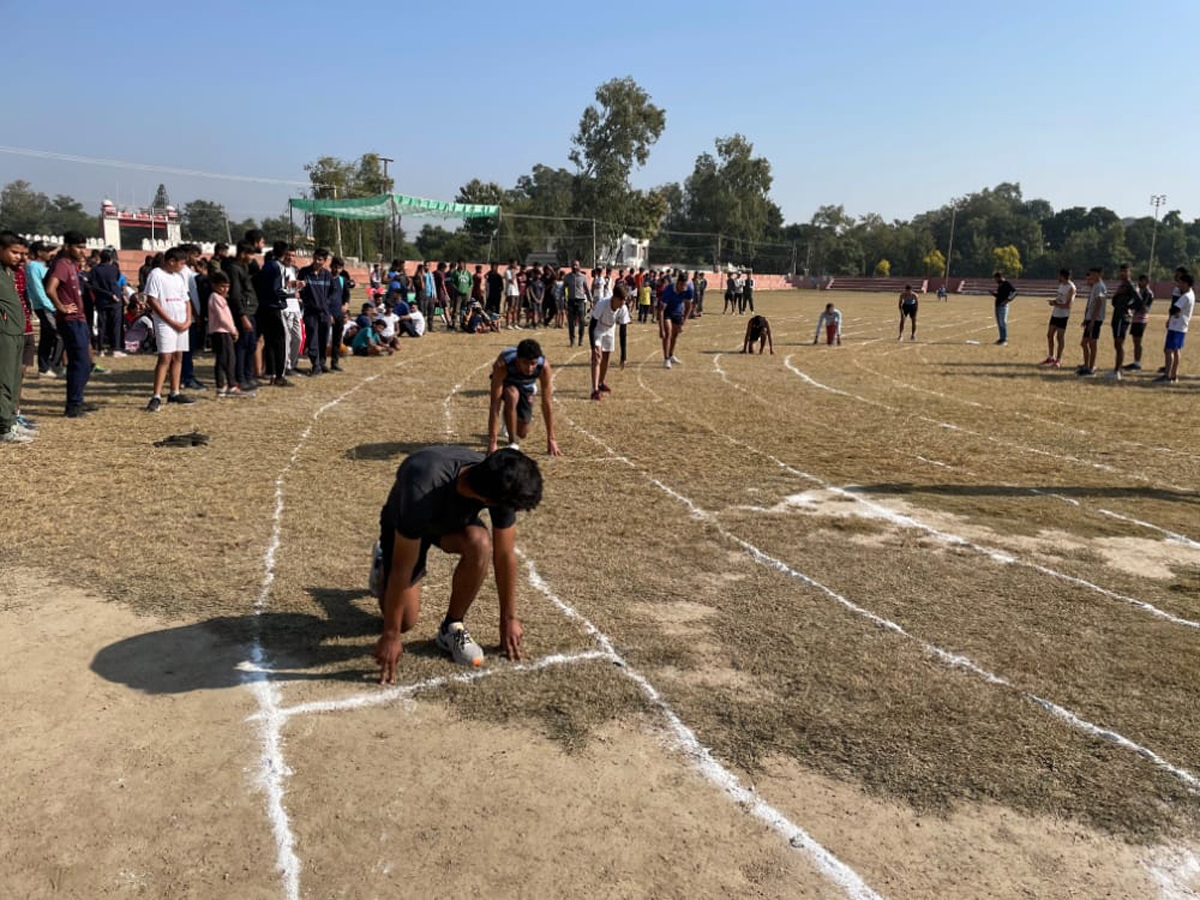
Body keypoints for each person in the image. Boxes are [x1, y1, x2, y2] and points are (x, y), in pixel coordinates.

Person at [370, 446, 544, 679]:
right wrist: (391, 634)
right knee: (404, 622)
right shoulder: (421, 484)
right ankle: (382, 561)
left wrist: (508, 618)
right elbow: (403, 567)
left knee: (480, 543)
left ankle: (451, 627)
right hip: (405, 527)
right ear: (487, 499)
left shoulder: (500, 478)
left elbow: (504, 555)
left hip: (450, 523)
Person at [44, 232, 92, 418]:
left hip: (79, 319)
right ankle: (73, 405)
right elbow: (50, 288)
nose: (82, 251)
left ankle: (78, 399)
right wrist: (61, 307)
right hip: (70, 321)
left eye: (83, 247)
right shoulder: (62, 265)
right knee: (79, 362)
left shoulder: (71, 265)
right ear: (67, 246)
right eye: (78, 247)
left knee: (86, 363)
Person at [487, 338, 561, 455]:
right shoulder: (503, 364)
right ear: (518, 359)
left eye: (533, 364)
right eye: (526, 363)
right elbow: (495, 404)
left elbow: (547, 404)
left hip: (526, 386)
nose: (530, 368)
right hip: (508, 383)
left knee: (522, 432)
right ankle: (512, 441)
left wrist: (551, 439)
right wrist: (492, 442)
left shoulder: (544, 367)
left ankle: (508, 416)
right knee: (512, 396)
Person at [143, 247, 196, 411]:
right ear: (171, 261)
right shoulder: (156, 275)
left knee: (178, 356)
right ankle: (156, 395)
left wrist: (187, 320)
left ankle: (174, 392)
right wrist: (170, 320)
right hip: (165, 323)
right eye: (181, 263)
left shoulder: (179, 277)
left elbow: (186, 300)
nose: (183, 266)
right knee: (165, 357)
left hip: (181, 322)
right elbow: (152, 300)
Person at [0, 232, 32, 443]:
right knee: (3, 381)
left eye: (21, 253)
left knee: (12, 379)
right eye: (14, 252)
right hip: (4, 332)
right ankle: (3, 427)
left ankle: (11, 420)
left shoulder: (9, 272)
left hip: (16, 331)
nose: (18, 257)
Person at [207, 271, 251, 398]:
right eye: (222, 286)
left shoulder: (220, 298)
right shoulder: (215, 297)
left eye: (227, 286)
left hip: (224, 331)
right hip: (221, 332)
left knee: (224, 359)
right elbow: (222, 318)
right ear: (214, 285)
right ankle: (229, 385)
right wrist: (233, 330)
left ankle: (224, 386)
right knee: (227, 359)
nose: (225, 289)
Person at [223, 240, 259, 391]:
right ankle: (240, 377)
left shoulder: (245, 267)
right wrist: (242, 315)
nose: (252, 257)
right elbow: (236, 294)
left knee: (251, 345)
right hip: (243, 312)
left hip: (251, 310)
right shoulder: (234, 269)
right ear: (243, 254)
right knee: (242, 346)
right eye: (250, 254)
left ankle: (248, 375)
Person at [255, 241, 292, 387]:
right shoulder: (278, 267)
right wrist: (291, 295)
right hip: (275, 307)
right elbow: (277, 289)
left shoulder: (266, 266)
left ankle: (270, 373)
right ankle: (279, 375)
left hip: (264, 307)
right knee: (281, 342)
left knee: (269, 342)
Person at [25, 241, 62, 377]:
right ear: (40, 253)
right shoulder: (34, 267)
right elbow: (39, 289)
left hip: (48, 305)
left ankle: (46, 367)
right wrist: (51, 305)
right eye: (48, 251)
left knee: (48, 336)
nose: (50, 253)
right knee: (55, 334)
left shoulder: (40, 266)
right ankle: (48, 365)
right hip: (45, 306)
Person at [588, 283, 630, 400]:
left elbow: (623, 332)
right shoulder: (602, 304)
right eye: (622, 299)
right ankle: (594, 389)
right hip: (598, 329)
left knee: (606, 357)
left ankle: (601, 383)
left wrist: (623, 355)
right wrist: (593, 347)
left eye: (625, 300)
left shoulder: (623, 309)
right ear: (615, 298)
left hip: (610, 329)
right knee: (597, 358)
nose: (623, 302)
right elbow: (592, 326)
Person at [298, 249, 333, 375]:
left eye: (320, 260)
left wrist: (327, 305)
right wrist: (304, 299)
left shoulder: (327, 275)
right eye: (315, 258)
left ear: (325, 261)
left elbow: (331, 293)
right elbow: (298, 288)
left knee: (323, 339)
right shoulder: (304, 272)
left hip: (324, 312)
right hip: (310, 312)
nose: (317, 262)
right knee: (312, 338)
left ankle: (322, 363)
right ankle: (315, 365)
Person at [1156, 270, 1193, 384]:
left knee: (1169, 351)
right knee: (1176, 351)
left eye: (1181, 283)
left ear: (1186, 284)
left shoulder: (1185, 296)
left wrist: (1173, 313)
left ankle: (1167, 376)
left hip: (1176, 326)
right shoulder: (1191, 294)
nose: (1179, 285)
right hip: (1182, 326)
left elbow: (1173, 309)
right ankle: (1174, 375)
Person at [658, 271, 694, 368]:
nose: (683, 287)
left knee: (675, 335)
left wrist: (684, 321)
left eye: (685, 285)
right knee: (668, 333)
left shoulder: (689, 290)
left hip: (678, 312)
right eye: (681, 284)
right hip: (667, 312)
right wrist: (661, 329)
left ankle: (670, 355)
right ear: (677, 282)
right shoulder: (669, 290)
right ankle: (666, 359)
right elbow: (661, 310)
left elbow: (688, 307)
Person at [1106, 263, 1136, 380]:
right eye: (1121, 271)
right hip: (1116, 316)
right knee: (1116, 344)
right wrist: (1116, 296)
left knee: (1119, 343)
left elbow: (1139, 301)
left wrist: (1129, 308)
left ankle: (1117, 371)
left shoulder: (1130, 286)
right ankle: (1116, 369)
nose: (1122, 273)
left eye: (1125, 271)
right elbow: (1114, 303)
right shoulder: (1122, 286)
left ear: (1129, 273)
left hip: (1122, 318)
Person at [1041, 268, 1075, 367]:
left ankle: (1058, 360)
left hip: (1063, 316)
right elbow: (1059, 298)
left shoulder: (1071, 288)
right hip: (1055, 314)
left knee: (1060, 337)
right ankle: (1051, 357)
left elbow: (1068, 305)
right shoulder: (1061, 285)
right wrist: (1054, 301)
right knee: (1049, 335)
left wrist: (1054, 304)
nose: (1058, 278)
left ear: (1064, 276)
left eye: (1059, 276)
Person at [1078, 267, 1106, 377]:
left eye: (1094, 274)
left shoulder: (1101, 287)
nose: (1092, 276)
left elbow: (1099, 303)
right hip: (1090, 318)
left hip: (1096, 320)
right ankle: (1086, 365)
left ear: (1100, 274)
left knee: (1092, 343)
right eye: (1091, 274)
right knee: (1084, 343)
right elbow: (1091, 303)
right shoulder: (1095, 286)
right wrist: (1086, 319)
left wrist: (1093, 320)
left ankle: (1091, 368)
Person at [1125, 273, 1154, 371]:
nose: (1140, 283)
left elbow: (1142, 306)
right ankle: (1135, 361)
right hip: (1136, 318)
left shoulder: (1148, 293)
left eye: (1143, 281)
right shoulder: (1140, 291)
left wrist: (1131, 307)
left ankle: (1137, 363)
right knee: (1135, 341)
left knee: (1138, 342)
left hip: (1141, 319)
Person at [328, 257, 351, 370]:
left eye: (339, 268)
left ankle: (335, 362)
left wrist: (345, 304)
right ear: (331, 266)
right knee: (323, 339)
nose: (336, 269)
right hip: (327, 314)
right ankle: (320, 363)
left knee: (337, 339)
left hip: (338, 314)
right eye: (335, 267)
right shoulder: (326, 278)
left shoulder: (342, 281)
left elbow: (346, 296)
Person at [564, 260, 592, 347]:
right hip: (571, 301)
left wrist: (591, 301)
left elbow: (587, 289)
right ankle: (572, 340)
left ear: (579, 266)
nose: (574, 267)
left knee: (582, 321)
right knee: (571, 322)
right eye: (573, 265)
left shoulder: (583, 277)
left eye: (576, 265)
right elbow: (563, 289)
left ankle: (581, 339)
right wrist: (564, 300)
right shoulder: (567, 277)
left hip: (580, 301)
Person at [990, 272, 1016, 345]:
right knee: (999, 323)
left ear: (999, 277)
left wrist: (1008, 300)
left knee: (1003, 322)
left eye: (996, 279)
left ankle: (1004, 339)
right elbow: (999, 295)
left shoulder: (1006, 283)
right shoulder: (1000, 285)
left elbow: (1014, 292)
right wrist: (993, 293)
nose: (995, 280)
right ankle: (1001, 338)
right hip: (997, 305)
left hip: (1003, 306)